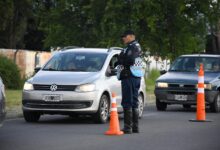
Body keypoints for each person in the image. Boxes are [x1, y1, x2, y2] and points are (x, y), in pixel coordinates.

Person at [118, 30, 142, 134]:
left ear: (132, 36)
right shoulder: (134, 46)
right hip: (134, 76)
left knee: (128, 101)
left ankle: (128, 127)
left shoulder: (133, 47)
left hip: (129, 76)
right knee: (134, 102)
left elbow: (129, 60)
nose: (123, 38)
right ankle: (135, 127)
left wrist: (121, 59)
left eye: (125, 36)